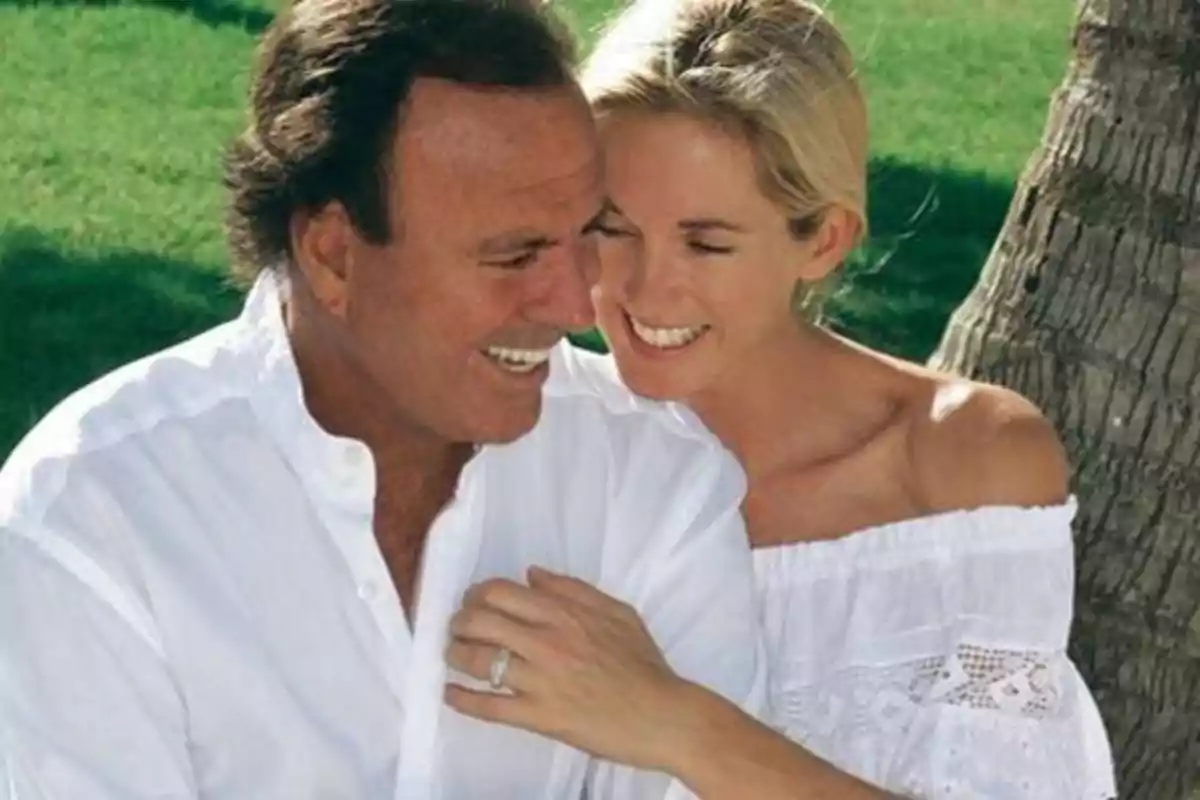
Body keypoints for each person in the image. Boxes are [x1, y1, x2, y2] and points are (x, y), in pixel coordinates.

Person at [0, 1, 767, 797]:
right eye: (515, 255)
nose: (577, 306)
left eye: (585, 234)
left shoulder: (655, 480)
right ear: (333, 255)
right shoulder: (91, 513)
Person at [443, 0, 1119, 797]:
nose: (647, 289)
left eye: (706, 242)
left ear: (824, 237)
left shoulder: (964, 466)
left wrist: (672, 722)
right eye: (610, 227)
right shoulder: (517, 427)